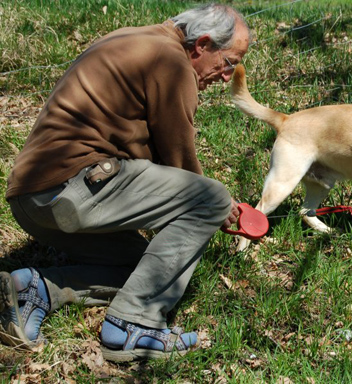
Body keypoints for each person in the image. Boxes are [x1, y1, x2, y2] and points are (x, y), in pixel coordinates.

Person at [0, 3, 250, 362]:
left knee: (145, 267)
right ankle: (135, 325)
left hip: (30, 199)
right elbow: (179, 161)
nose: (227, 75)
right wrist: (220, 209)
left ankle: (36, 290)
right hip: (75, 187)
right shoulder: (171, 61)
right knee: (209, 198)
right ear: (203, 44)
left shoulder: (136, 38)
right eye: (229, 62)